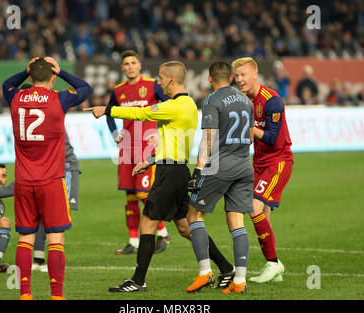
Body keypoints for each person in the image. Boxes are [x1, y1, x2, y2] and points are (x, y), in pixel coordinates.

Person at [89, 61, 234, 292]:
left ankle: (138, 281)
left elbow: (143, 112)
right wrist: (151, 160)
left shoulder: (175, 105)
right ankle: (227, 268)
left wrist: (107, 110)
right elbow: (173, 142)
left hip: (170, 174)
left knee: (147, 222)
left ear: (170, 80)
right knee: (187, 228)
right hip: (176, 169)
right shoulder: (186, 105)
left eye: (160, 78)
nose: (158, 82)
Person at [2, 56, 92, 300]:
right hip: (51, 180)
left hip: (23, 180)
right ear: (52, 77)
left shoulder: (16, 96)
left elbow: (6, 84)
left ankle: (25, 294)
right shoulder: (59, 99)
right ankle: (56, 295)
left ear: (30, 78)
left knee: (25, 238)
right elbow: (86, 88)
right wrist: (61, 72)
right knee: (55, 238)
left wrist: (25, 70)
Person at [186, 61, 254, 294]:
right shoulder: (246, 100)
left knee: (193, 215)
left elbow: (208, 139)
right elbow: (251, 137)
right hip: (245, 164)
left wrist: (197, 172)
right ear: (232, 77)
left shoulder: (212, 100)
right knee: (236, 221)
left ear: (210, 78)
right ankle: (240, 280)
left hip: (220, 165)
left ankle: (205, 272)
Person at [232, 57, 293, 283]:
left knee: (254, 207)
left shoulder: (272, 100)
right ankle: (274, 268)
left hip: (278, 161)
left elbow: (271, 137)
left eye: (243, 75)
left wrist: (249, 129)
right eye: (237, 76)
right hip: (258, 162)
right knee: (261, 213)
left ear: (255, 75)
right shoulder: (242, 100)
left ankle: (273, 262)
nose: (239, 80)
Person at [106, 50, 170, 255]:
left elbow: (168, 107)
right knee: (130, 195)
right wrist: (115, 132)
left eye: (133, 62)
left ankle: (162, 232)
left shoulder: (152, 85)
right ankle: (133, 241)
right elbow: (109, 112)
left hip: (147, 147)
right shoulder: (118, 91)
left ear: (140, 65)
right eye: (126, 63)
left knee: (144, 193)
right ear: (122, 67)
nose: (130, 66)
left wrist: (161, 133)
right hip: (127, 148)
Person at [18, 83, 82, 272]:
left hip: (65, 167)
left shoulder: (48, 113)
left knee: (54, 217)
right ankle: (38, 259)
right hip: (48, 172)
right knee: (39, 214)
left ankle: (46, 260)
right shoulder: (32, 118)